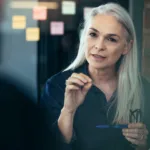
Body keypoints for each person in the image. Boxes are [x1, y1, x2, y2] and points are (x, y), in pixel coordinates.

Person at [40, 3, 150, 150]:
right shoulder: (57, 86)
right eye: (93, 34)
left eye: (111, 39)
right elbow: (47, 145)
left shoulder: (143, 89)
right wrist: (68, 110)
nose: (99, 46)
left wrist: (143, 145)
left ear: (126, 47)